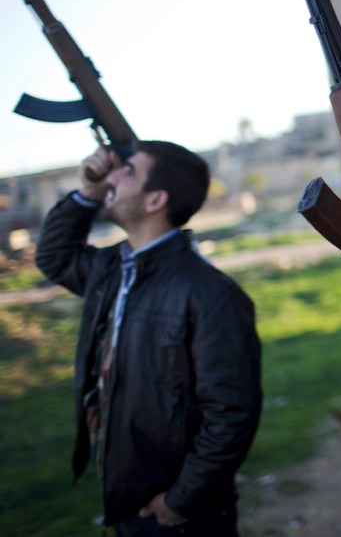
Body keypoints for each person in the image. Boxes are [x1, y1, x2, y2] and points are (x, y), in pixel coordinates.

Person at [35, 141, 263, 536]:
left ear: (156, 199)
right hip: (128, 497)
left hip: (178, 515)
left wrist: (181, 500)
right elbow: (53, 257)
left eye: (128, 172)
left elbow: (231, 413)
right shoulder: (111, 269)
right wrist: (87, 194)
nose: (113, 176)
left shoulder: (211, 294)